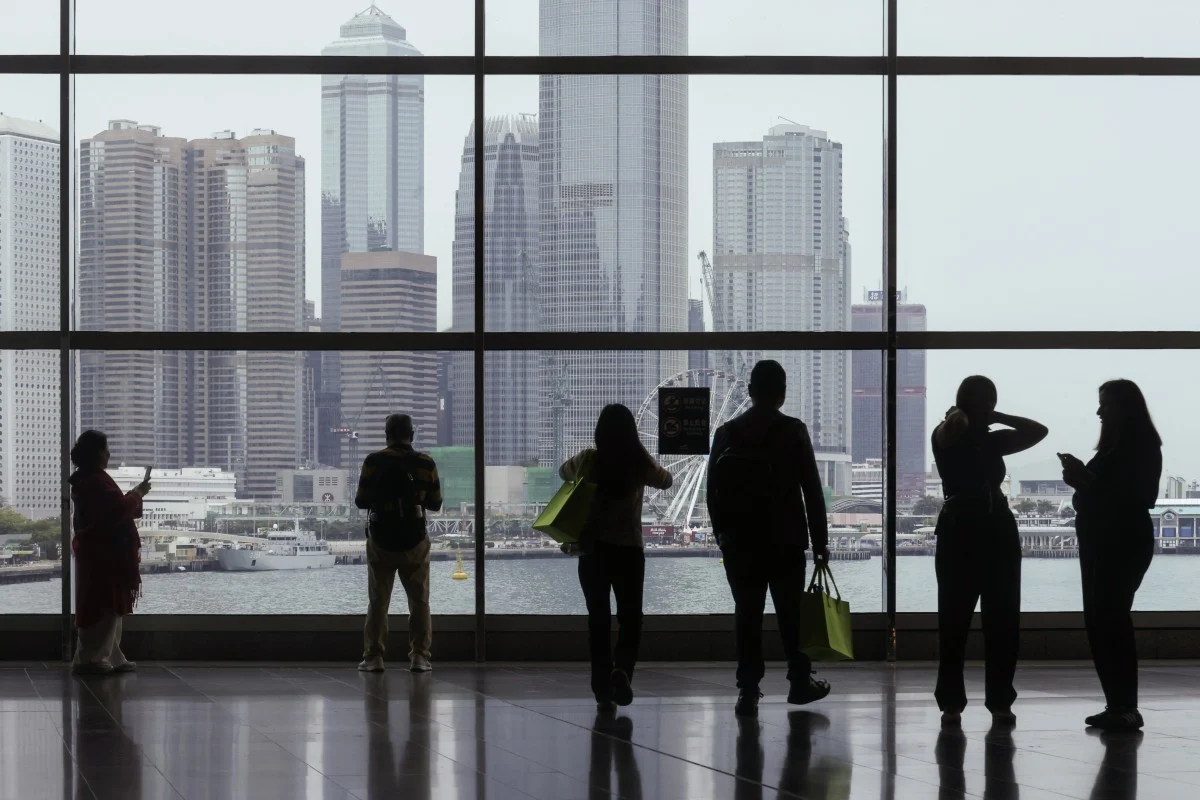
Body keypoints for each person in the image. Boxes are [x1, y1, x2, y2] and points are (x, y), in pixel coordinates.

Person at [707, 359, 832, 718]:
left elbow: (711, 491)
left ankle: (748, 690)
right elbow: (812, 490)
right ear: (782, 393)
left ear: (749, 391)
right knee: (791, 616)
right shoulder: (793, 431)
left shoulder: (727, 433)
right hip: (785, 540)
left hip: (740, 543)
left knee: (747, 615)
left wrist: (722, 535)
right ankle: (799, 682)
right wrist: (820, 540)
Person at [932, 375, 1047, 727]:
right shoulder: (945, 434)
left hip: (993, 527)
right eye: (983, 402)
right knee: (957, 618)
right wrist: (964, 415)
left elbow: (1038, 431)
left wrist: (996, 418)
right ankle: (964, 700)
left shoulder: (991, 441)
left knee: (1000, 618)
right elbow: (954, 426)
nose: (987, 409)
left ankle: (994, 699)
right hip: (964, 527)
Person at [1061, 379, 1162, 732]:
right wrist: (1084, 481)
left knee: (1110, 620)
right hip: (1107, 540)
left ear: (1123, 407)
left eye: (1105, 403)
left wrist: (1082, 480)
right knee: (1103, 620)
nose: (1099, 411)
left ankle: (1125, 706)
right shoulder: (1126, 446)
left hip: (1117, 540)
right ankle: (1118, 704)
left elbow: (1134, 497)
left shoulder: (1137, 446)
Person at [559, 403, 672, 711]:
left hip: (592, 550)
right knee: (630, 617)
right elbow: (666, 480)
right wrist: (643, 455)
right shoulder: (637, 462)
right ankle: (622, 670)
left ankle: (601, 688)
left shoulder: (588, 459)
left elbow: (562, 472)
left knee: (598, 620)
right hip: (629, 551)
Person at [356, 414, 442, 674]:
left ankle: (373, 657)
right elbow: (435, 503)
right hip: (414, 540)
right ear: (411, 434)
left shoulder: (373, 461)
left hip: (381, 539)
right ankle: (419, 656)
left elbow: (361, 501)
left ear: (387, 434)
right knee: (419, 601)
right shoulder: (425, 462)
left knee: (378, 601)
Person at [68, 430, 151, 675]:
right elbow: (116, 510)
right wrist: (137, 494)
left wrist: (135, 495)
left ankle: (109, 656)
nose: (109, 454)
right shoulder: (94, 481)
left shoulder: (90, 478)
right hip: (103, 554)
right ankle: (93, 659)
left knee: (108, 606)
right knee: (103, 605)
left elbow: (115, 509)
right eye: (106, 450)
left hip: (103, 553)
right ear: (96, 453)